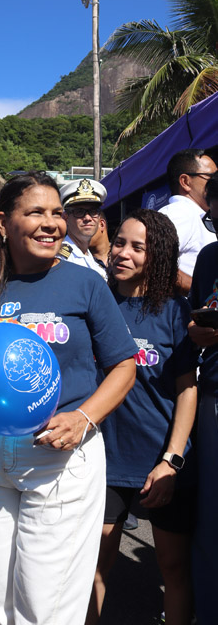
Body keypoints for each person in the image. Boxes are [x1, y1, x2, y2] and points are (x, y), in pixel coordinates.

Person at [0, 171, 137, 625]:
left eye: (57, 213)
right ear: (3, 222)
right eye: (36, 212)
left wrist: (83, 419)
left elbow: (124, 366)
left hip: (61, 456)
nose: (51, 223)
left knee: (44, 602)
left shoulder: (84, 283)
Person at [86, 209, 197, 625]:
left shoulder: (174, 311)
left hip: (162, 462)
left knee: (173, 568)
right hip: (103, 459)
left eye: (138, 247)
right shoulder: (94, 301)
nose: (123, 253)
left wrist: (172, 458)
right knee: (94, 567)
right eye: (119, 242)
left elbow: (187, 390)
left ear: (160, 256)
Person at [187, 172, 218, 625]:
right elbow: (196, 323)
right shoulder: (210, 257)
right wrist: (198, 332)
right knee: (210, 521)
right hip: (213, 396)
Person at [159, 148, 217, 293]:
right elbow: (153, 260)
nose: (215, 181)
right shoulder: (180, 213)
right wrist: (202, 288)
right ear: (185, 182)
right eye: (211, 176)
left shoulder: (195, 215)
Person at [58, 178, 108, 279]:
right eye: (79, 212)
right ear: (65, 218)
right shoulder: (61, 258)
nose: (88, 218)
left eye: (93, 211)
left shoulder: (92, 259)